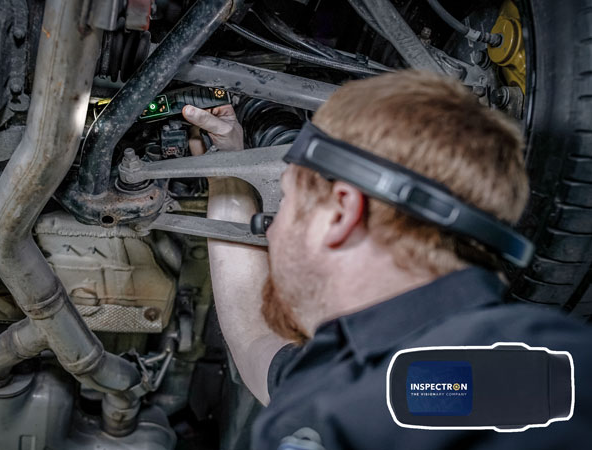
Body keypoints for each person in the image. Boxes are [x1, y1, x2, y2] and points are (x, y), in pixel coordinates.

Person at [181, 70, 592, 449]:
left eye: (285, 200)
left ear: (341, 212)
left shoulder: (542, 375)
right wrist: (226, 172)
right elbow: (253, 340)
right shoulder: (339, 369)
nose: (267, 228)